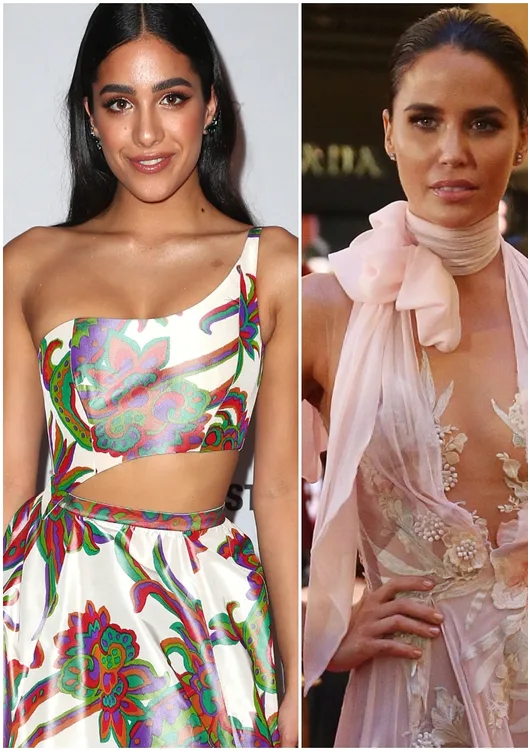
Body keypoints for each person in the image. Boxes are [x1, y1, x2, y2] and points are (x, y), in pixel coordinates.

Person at [302, 8, 528, 746]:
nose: (452, 151)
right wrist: (310, 628)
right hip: (416, 698)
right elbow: (203, 465)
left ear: (524, 135)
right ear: (388, 131)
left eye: (482, 123)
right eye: (424, 121)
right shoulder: (324, 306)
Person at [3, 5, 298, 747]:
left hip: (212, 610)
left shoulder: (275, 264)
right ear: (90, 116)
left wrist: (299, 677)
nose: (144, 133)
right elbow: (11, 488)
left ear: (210, 108)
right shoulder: (29, 263)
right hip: (60, 616)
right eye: (118, 103)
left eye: (171, 97)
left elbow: (277, 490)